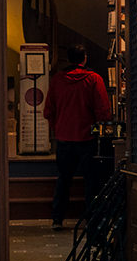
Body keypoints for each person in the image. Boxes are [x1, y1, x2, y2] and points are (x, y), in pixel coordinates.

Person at [43, 45, 112, 230]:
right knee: (91, 181)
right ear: (85, 58)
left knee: (63, 179)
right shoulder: (93, 79)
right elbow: (104, 111)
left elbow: (48, 110)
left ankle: (57, 219)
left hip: (64, 137)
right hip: (87, 138)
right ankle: (92, 218)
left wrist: (57, 127)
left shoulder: (57, 80)